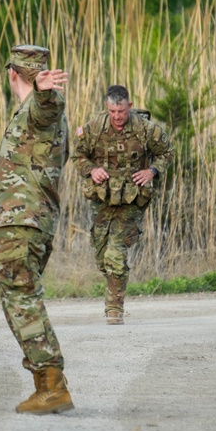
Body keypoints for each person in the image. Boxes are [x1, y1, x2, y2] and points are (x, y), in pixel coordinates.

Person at [0, 44, 73, 415]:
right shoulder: (30, 112)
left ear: (11, 74)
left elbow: (46, 110)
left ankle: (53, 384)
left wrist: (42, 93)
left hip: (24, 222)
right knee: (18, 299)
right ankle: (45, 384)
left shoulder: (43, 108)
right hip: (27, 222)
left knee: (22, 298)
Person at [71, 85, 174, 324]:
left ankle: (114, 309)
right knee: (101, 255)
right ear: (106, 108)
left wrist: (152, 171)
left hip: (132, 199)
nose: (117, 117)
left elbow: (167, 152)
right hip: (102, 199)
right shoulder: (94, 128)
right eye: (112, 111)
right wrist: (91, 169)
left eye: (121, 111)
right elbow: (77, 155)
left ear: (129, 106)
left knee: (115, 253)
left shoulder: (146, 129)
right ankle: (116, 284)